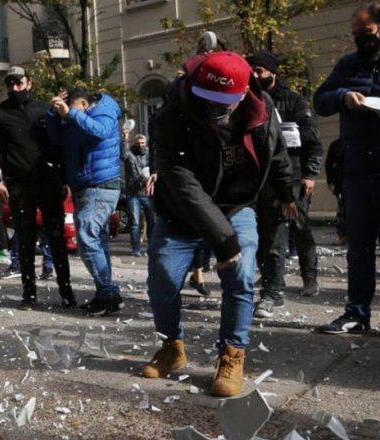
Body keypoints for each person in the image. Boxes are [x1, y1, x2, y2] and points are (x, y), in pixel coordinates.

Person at [141, 51, 296, 397]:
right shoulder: (170, 116)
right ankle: (172, 347)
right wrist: (224, 241)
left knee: (240, 276)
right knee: (163, 278)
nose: (213, 111)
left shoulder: (262, 107)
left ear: (243, 93)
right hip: (180, 211)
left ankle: (231, 353)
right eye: (206, 100)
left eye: (222, 103)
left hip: (235, 206)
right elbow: (183, 184)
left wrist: (286, 191)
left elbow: (277, 150)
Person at [314, 3, 380, 343]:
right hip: (359, 171)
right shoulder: (348, 64)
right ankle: (356, 313)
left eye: (365, 34)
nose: (360, 41)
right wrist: (342, 97)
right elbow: (320, 99)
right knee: (360, 247)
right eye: (355, 36)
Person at [0, 66, 73, 310]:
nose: (14, 88)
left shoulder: (44, 110)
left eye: (19, 83)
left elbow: (62, 145)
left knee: (56, 238)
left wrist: (66, 179)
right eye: (10, 84)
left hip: (49, 182)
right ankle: (29, 294)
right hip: (18, 186)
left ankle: (66, 291)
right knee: (25, 240)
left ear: (29, 83)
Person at [246, 51, 324, 319]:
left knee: (296, 231)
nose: (254, 75)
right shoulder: (248, 100)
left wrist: (310, 175)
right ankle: (272, 284)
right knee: (264, 235)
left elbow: (313, 139)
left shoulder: (294, 101)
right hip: (261, 181)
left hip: (292, 177)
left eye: (260, 70)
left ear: (272, 72)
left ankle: (304, 278)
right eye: (251, 69)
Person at [47, 88, 122, 315]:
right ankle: (105, 292)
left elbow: (100, 132)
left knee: (87, 239)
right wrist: (54, 113)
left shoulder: (104, 112)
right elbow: (56, 139)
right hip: (86, 186)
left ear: (84, 104)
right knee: (96, 241)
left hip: (99, 185)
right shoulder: (76, 117)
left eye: (73, 107)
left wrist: (71, 114)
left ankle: (108, 293)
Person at [122, 133, 155, 257]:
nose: (140, 145)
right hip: (133, 193)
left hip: (147, 193)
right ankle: (136, 249)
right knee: (135, 223)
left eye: (142, 143)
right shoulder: (129, 154)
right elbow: (123, 155)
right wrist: (125, 139)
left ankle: (151, 248)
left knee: (152, 221)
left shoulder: (149, 156)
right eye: (138, 143)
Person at [325, 138, 346, 245]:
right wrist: (331, 181)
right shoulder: (337, 144)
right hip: (341, 181)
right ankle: (342, 235)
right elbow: (329, 163)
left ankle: (343, 235)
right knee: (343, 210)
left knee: (344, 210)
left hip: (346, 180)